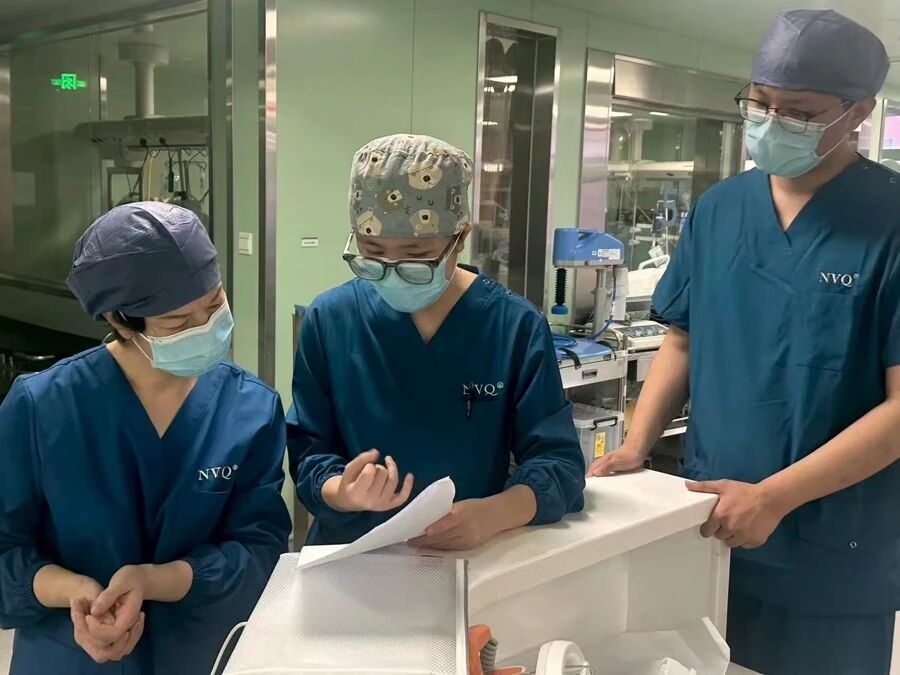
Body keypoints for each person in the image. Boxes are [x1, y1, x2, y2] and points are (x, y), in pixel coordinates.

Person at [589, 10, 899, 675]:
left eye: (800, 112)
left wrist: (776, 496)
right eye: (760, 103)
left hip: (831, 548)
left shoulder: (891, 220)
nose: (773, 121)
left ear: (859, 112)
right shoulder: (721, 208)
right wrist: (637, 445)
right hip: (707, 522)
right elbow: (682, 340)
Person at [0, 202, 291, 674]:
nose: (205, 328)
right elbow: (5, 549)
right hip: (71, 656)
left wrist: (155, 580)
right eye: (178, 323)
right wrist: (78, 594)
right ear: (120, 321)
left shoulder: (250, 408)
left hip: (203, 653)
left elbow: (259, 551)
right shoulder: (42, 407)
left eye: (214, 304)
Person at [287, 134, 585, 549]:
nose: (392, 270)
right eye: (373, 252)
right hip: (352, 553)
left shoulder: (512, 326)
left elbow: (559, 463)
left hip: (471, 555)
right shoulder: (330, 319)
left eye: (415, 256)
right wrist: (343, 491)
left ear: (460, 238)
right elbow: (309, 452)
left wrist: (496, 513)